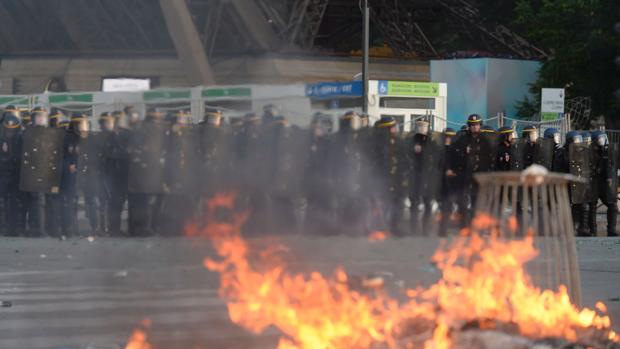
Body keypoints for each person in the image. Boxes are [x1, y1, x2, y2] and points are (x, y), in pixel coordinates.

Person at [447, 114, 493, 226]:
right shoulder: (462, 139)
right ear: (469, 126)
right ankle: (463, 225)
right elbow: (453, 154)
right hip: (464, 175)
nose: (474, 127)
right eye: (472, 125)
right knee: (462, 200)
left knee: (476, 201)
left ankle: (474, 224)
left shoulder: (485, 140)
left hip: (479, 176)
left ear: (480, 126)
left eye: (476, 125)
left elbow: (490, 158)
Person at [370, 116, 406, 235]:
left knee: (397, 203)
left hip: (396, 179)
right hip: (382, 179)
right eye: (392, 127)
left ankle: (395, 227)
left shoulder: (398, 141)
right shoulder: (376, 143)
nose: (395, 129)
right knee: (381, 204)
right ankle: (377, 227)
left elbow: (402, 160)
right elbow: (374, 162)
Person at [406, 119, 440, 234]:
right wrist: (412, 150)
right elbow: (404, 155)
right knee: (414, 204)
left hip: (428, 177)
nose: (421, 128)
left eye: (424, 126)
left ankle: (426, 229)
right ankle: (413, 229)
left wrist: (424, 152)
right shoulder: (410, 141)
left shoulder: (432, 142)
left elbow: (437, 158)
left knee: (428, 204)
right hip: (415, 177)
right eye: (419, 126)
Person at [587, 130, 618, 237]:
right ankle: (592, 230)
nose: (602, 141)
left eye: (603, 138)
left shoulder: (608, 151)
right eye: (600, 138)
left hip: (605, 184)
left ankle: (612, 229)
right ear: (595, 140)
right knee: (592, 205)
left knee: (613, 205)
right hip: (594, 182)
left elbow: (612, 165)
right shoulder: (589, 151)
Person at [0, 114, 23, 236]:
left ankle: (13, 228)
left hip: (15, 176)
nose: (10, 132)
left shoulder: (20, 141)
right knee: (3, 203)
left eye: (12, 129)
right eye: (8, 129)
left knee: (14, 203)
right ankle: (3, 227)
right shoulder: (1, 140)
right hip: (3, 175)